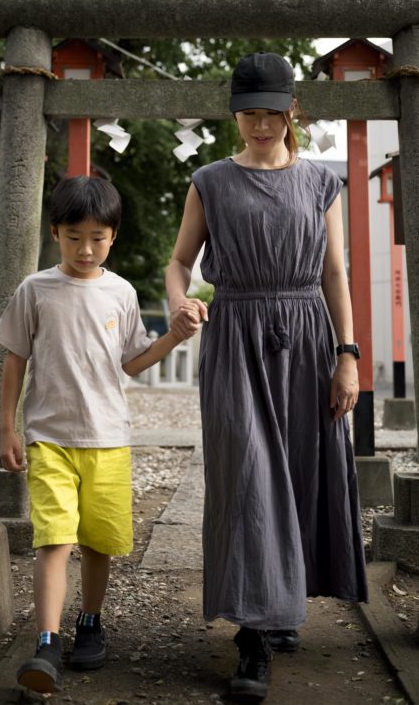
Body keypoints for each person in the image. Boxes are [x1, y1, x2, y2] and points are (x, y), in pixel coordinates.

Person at [166, 52, 368, 702]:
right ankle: (252, 632)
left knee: (305, 471)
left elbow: (336, 273)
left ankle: (280, 607)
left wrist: (348, 354)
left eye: (271, 113)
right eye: (248, 113)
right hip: (235, 336)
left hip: (309, 335)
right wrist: (180, 301)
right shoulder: (210, 180)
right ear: (235, 116)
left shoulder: (320, 185)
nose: (260, 124)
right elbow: (178, 261)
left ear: (292, 112)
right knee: (247, 474)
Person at [0, 176, 191, 695]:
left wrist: (173, 335)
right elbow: (15, 359)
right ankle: (47, 640)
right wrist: (7, 426)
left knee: (98, 543)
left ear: (113, 237)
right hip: (49, 438)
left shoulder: (121, 292)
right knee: (54, 539)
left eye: (97, 237)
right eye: (74, 236)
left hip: (107, 438)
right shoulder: (34, 290)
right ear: (55, 232)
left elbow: (131, 362)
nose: (86, 248)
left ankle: (91, 623)